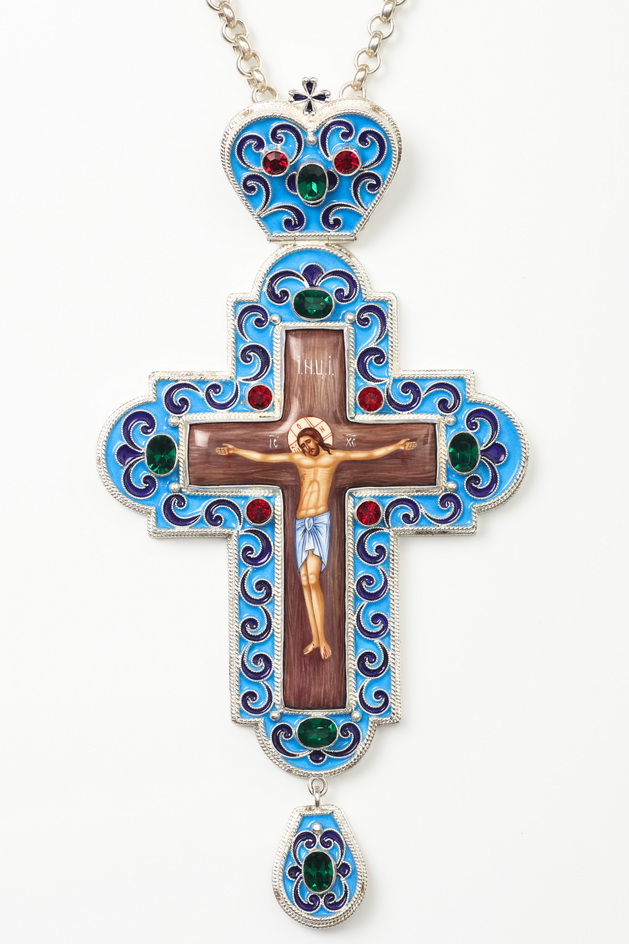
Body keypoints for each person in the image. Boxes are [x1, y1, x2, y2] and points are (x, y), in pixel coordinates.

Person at [217, 426, 417, 660]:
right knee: (305, 581)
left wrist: (396, 446)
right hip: (301, 522)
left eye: (308, 442)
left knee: (313, 578)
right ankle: (315, 638)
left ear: (318, 440)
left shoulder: (333, 457)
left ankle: (323, 638)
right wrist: (236, 450)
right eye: (302, 445)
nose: (306, 447)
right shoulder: (299, 459)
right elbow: (265, 458)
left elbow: (368, 454)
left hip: (319, 521)